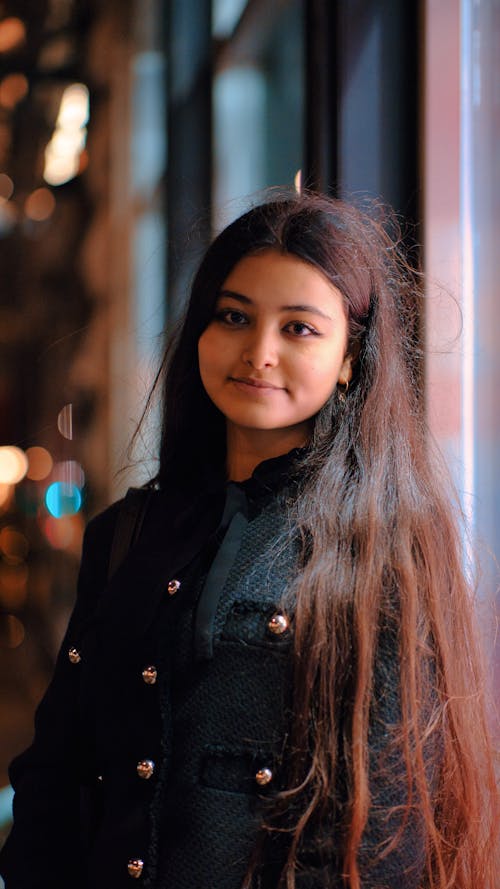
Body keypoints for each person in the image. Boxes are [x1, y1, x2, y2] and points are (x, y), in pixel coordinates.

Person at [0, 192, 497, 889]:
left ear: (350, 359)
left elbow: (388, 831)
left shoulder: (391, 550)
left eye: (299, 328)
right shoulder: (126, 534)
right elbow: (56, 771)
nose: (257, 353)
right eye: (234, 317)